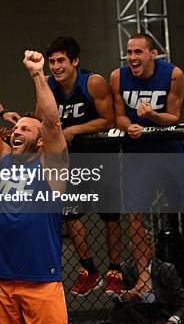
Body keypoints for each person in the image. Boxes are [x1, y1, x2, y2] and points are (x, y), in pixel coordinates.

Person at [109, 32, 184, 296]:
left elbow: (174, 116)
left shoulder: (173, 74)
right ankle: (144, 279)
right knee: (135, 215)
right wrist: (131, 126)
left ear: (153, 54)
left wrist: (152, 115)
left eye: (138, 52)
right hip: (136, 154)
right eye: (129, 52)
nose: (132, 58)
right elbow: (118, 116)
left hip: (169, 150)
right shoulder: (117, 77)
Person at [0, 51, 68, 324]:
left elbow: (51, 123)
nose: (16, 131)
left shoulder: (52, 168)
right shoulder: (2, 160)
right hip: (2, 278)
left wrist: (38, 74)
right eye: (16, 128)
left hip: (41, 280)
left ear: (40, 142)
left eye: (26, 129)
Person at [45, 36, 123, 296]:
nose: (56, 66)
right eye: (52, 61)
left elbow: (109, 120)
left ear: (75, 61)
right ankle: (88, 269)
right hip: (72, 162)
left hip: (103, 158)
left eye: (61, 61)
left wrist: (74, 129)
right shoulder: (48, 85)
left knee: (110, 216)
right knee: (70, 213)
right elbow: (41, 117)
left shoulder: (93, 82)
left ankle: (115, 270)